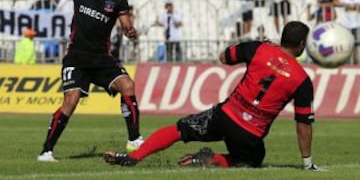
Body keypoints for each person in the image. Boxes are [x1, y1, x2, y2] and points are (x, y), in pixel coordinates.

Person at [103, 21, 319, 171]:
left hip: (224, 115)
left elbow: (224, 57)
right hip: (249, 135)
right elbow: (303, 125)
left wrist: (249, 46)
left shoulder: (259, 48)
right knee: (252, 160)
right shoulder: (302, 79)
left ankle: (134, 156)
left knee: (179, 129)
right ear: (301, 45)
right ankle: (211, 158)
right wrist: (307, 162)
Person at [4, 0, 144, 162]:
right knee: (71, 100)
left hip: (101, 58)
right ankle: (47, 150)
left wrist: (130, 31)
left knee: (127, 85)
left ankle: (134, 139)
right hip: (77, 58)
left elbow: (126, 24)